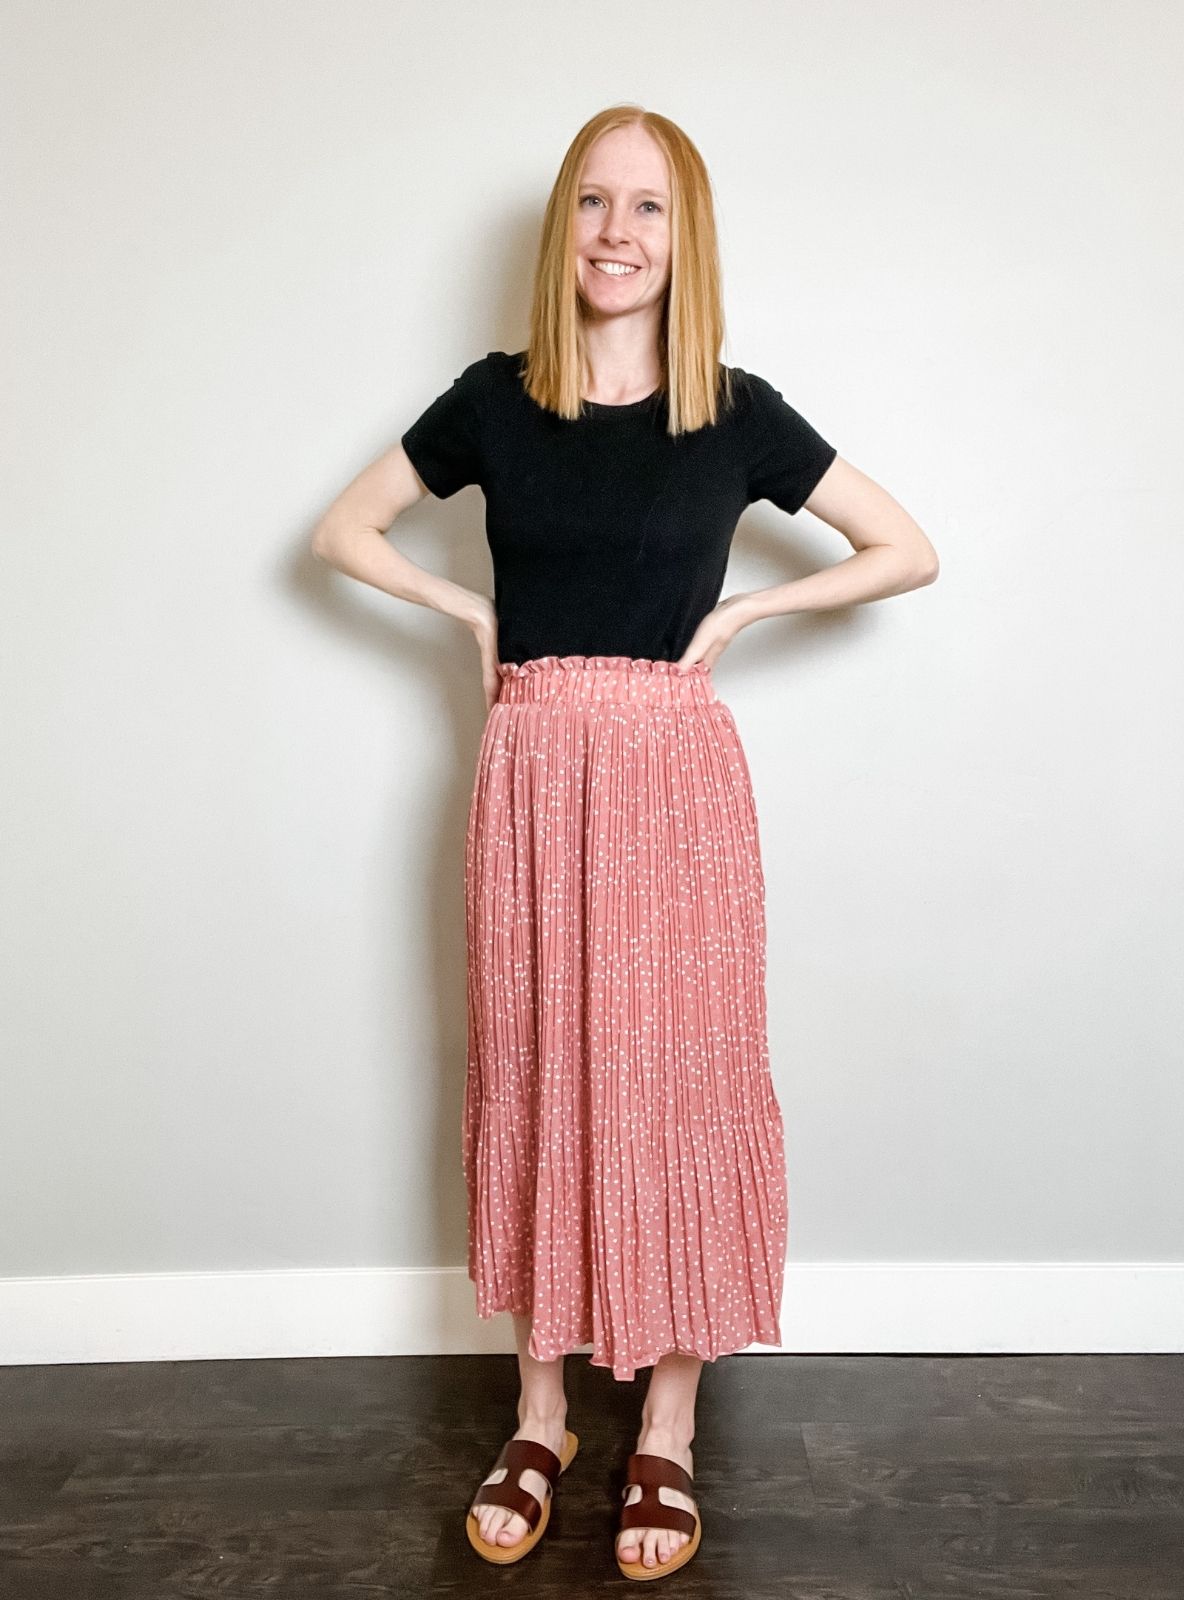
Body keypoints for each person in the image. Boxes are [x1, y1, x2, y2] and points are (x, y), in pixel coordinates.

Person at [313, 104, 938, 1582]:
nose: (616, 234)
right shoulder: (495, 400)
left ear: (685, 238)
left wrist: (742, 617)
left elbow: (906, 547)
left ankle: (665, 1416)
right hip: (531, 772)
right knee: (539, 1070)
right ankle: (542, 1412)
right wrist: (470, 614)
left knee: (676, 1081)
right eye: (594, 203)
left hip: (673, 774)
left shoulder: (732, 408)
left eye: (648, 209)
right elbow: (342, 532)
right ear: (562, 229)